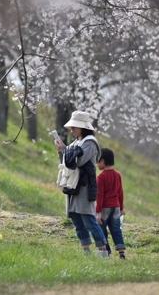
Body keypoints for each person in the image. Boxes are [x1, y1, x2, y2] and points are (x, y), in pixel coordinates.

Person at [53, 110, 109, 257]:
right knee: (77, 221)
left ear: (83, 127)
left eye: (74, 127)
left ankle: (103, 251)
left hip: (84, 186)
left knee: (89, 220)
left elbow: (78, 161)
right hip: (73, 186)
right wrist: (62, 152)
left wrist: (64, 150)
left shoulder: (90, 142)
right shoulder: (76, 143)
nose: (72, 130)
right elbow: (67, 163)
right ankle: (86, 251)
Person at [96, 147, 126, 259]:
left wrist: (98, 212)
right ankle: (121, 252)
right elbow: (120, 193)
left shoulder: (101, 177)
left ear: (102, 161)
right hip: (116, 207)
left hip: (105, 208)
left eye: (97, 160)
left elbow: (99, 196)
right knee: (116, 230)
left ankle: (106, 252)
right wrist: (121, 207)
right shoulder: (117, 175)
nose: (96, 164)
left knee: (102, 230)